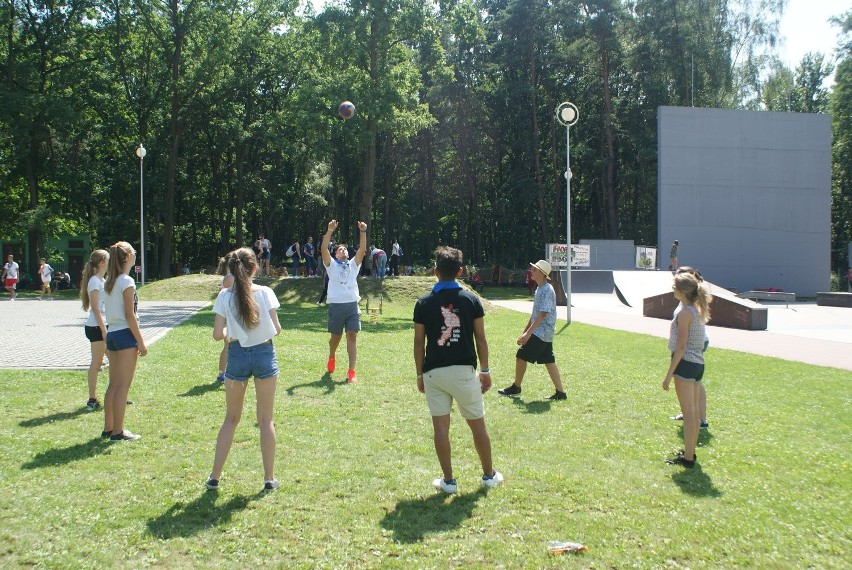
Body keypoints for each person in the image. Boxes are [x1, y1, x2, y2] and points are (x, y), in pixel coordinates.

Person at [413, 245, 503, 494]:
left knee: (441, 428)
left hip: (434, 373)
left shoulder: (423, 303)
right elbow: (480, 339)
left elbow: (419, 343)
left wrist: (420, 375)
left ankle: (449, 481)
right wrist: (485, 370)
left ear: (435, 271)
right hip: (464, 371)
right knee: (477, 426)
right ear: (460, 271)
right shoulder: (471, 300)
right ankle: (488, 475)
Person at [208, 247, 282, 491]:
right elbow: (277, 328)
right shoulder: (266, 292)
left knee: (231, 419)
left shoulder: (224, 296)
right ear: (255, 267)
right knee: (265, 419)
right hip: (264, 353)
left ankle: (214, 477)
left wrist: (235, 333)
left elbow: (218, 334)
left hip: (237, 355)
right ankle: (269, 479)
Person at [662, 270, 712, 468]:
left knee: (689, 413)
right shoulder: (696, 310)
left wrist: (668, 375)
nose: (672, 289)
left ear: (682, 291)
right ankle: (690, 452)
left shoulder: (684, 314)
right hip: (697, 365)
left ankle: (689, 458)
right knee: (693, 414)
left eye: (674, 286)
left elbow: (681, 347)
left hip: (685, 365)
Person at [498, 260, 566, 401]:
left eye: (534, 269)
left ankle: (516, 387)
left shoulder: (547, 289)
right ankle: (561, 393)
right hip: (542, 332)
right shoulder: (539, 289)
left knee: (521, 355)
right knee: (548, 360)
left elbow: (542, 314)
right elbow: (534, 314)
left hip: (542, 331)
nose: (531, 271)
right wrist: (524, 332)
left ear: (542, 273)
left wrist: (528, 334)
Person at [102, 241, 147, 441]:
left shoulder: (109, 281)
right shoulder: (127, 281)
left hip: (112, 334)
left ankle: (108, 427)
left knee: (113, 384)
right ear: (127, 257)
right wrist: (141, 341)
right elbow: (130, 315)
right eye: (134, 253)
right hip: (125, 335)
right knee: (123, 386)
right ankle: (118, 431)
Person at [321, 219, 367, 383]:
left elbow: (362, 249)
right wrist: (329, 231)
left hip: (352, 306)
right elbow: (323, 249)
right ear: (336, 254)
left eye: (345, 249)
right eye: (341, 249)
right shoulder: (331, 265)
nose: (344, 250)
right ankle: (332, 356)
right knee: (335, 338)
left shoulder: (353, 265)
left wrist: (362, 232)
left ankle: (351, 372)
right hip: (336, 306)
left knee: (352, 335)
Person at [670, 266, 710, 429]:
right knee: (693, 383)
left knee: (694, 384)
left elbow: (682, 345)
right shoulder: (687, 303)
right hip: (690, 348)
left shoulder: (689, 307)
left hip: (690, 349)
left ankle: (698, 419)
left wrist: (669, 373)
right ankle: (691, 415)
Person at [80, 250, 110, 409]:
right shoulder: (94, 281)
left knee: (114, 360)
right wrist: (104, 330)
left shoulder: (101, 280)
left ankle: (117, 395)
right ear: (102, 261)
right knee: (97, 363)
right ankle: (92, 400)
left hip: (102, 325)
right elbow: (96, 309)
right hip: (96, 326)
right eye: (109, 259)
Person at [215, 254, 236, 383]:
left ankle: (224, 373)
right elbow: (230, 298)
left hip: (232, 314)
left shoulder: (232, 276)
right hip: (229, 315)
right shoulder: (230, 278)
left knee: (230, 345)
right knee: (228, 344)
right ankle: (222, 373)